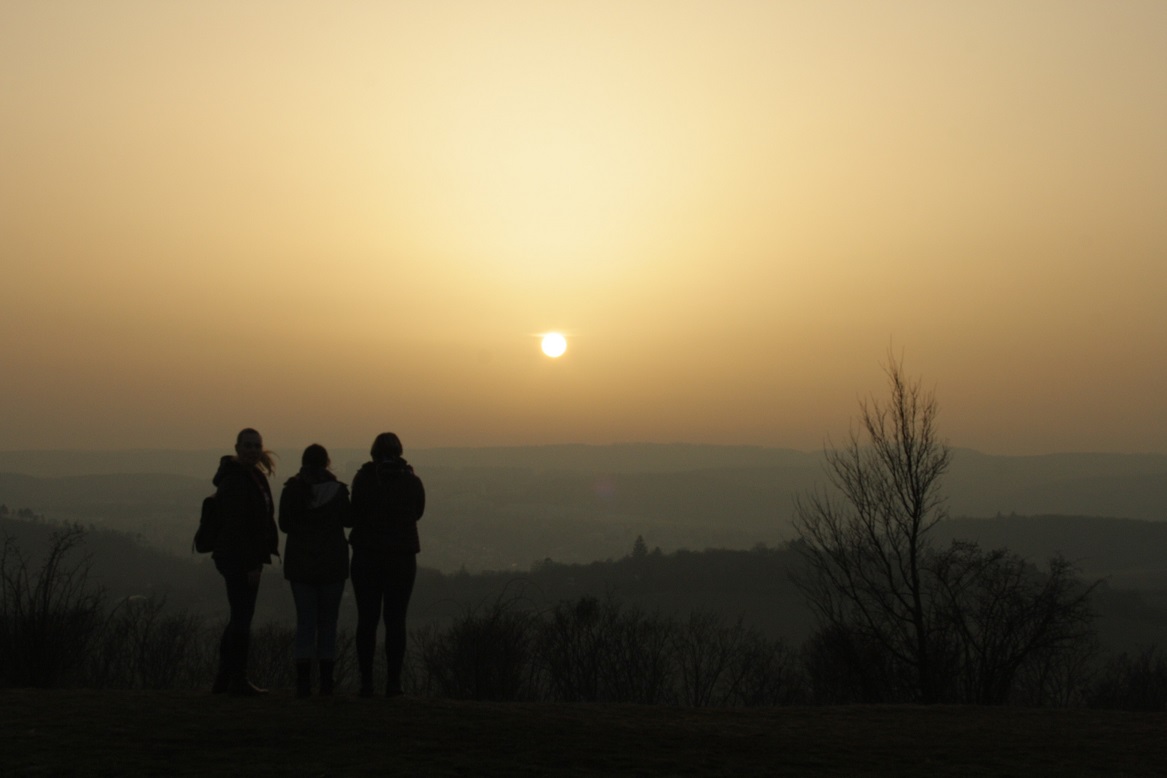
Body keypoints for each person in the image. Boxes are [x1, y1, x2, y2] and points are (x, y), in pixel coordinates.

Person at [349, 432, 426, 697]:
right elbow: (418, 512)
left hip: (366, 557)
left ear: (373, 453)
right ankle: (394, 683)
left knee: (367, 621)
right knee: (396, 621)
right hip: (401, 558)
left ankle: (366, 682)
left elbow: (354, 512)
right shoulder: (412, 481)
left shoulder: (363, 479)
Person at [278, 444, 351, 697]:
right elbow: (349, 520)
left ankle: (303, 683)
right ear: (327, 462)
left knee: (305, 622)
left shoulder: (291, 490)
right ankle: (327, 683)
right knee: (328, 623)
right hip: (332, 565)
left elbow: (284, 525)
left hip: (300, 566)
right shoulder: (338, 491)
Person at [210, 427, 279, 695]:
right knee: (241, 618)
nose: (252, 450)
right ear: (237, 448)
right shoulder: (238, 480)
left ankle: (226, 678)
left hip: (238, 556)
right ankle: (236, 678)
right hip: (239, 558)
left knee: (240, 616)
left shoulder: (250, 477)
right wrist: (252, 563)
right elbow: (238, 527)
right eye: (248, 445)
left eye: (256, 446)